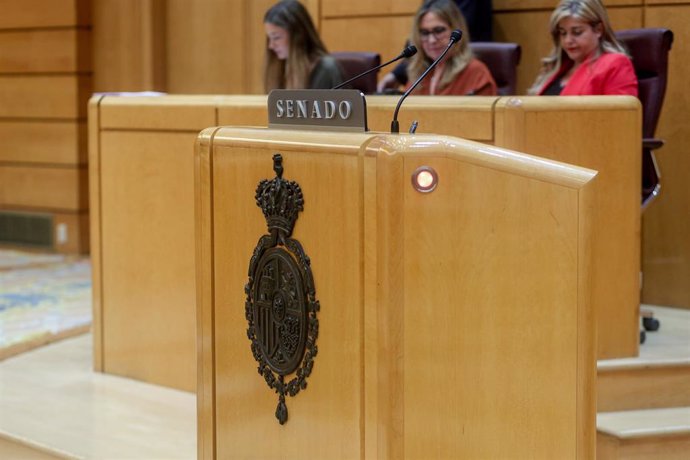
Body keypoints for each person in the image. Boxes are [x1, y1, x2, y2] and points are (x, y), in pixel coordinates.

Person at [377, 0, 493, 92]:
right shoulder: (419, 74)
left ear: (456, 30)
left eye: (439, 30)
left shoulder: (476, 73)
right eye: (424, 33)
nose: (431, 40)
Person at [529, 0, 637, 96]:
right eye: (563, 33)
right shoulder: (557, 67)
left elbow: (622, 116)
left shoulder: (614, 64)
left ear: (598, 29)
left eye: (577, 32)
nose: (568, 40)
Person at [263, 0, 343, 92]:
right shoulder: (281, 67)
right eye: (269, 38)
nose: (271, 46)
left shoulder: (327, 69)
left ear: (298, 36)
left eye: (276, 37)